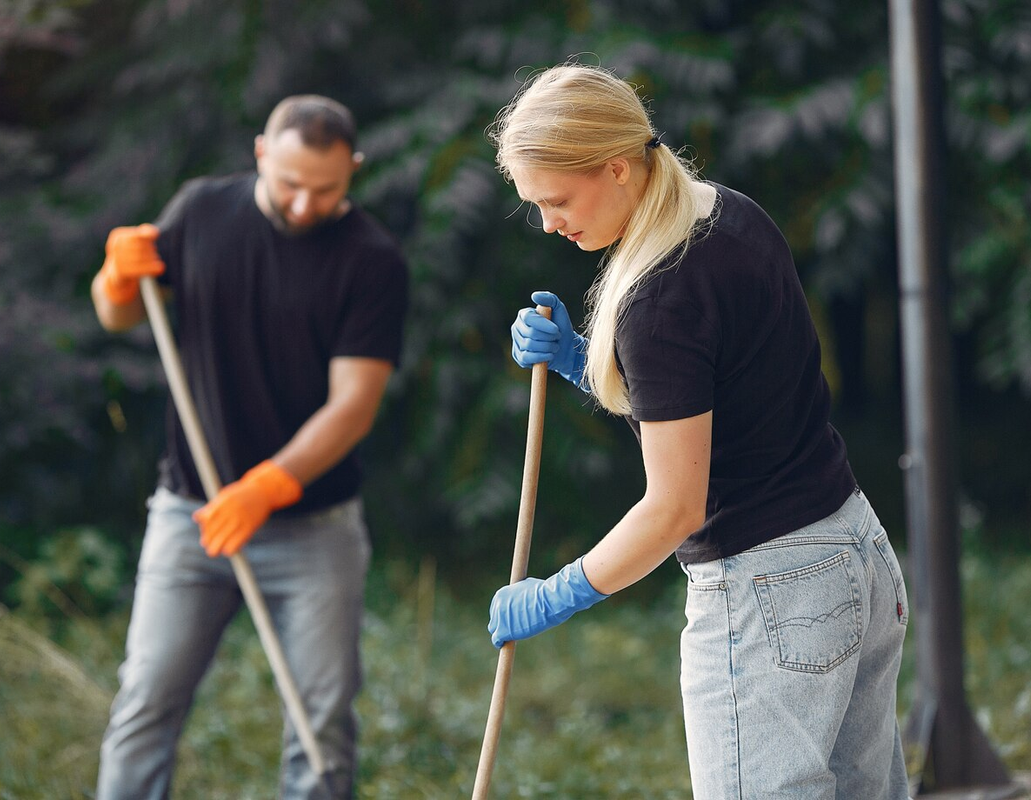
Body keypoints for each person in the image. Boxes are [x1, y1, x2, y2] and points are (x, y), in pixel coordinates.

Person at [487, 64, 910, 799]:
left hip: (775, 594)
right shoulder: (725, 213)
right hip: (851, 552)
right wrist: (587, 364)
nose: (549, 224)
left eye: (556, 200)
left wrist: (559, 592)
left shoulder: (658, 299)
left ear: (616, 166)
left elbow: (674, 506)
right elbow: (717, 404)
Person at [90, 95, 408, 800]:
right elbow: (119, 313)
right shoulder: (200, 212)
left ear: (353, 170)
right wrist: (114, 277)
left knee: (320, 721)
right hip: (190, 517)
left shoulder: (372, 262)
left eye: (325, 189)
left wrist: (268, 485)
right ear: (262, 154)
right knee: (145, 702)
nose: (303, 205)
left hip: (313, 529)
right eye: (290, 183)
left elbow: (353, 406)